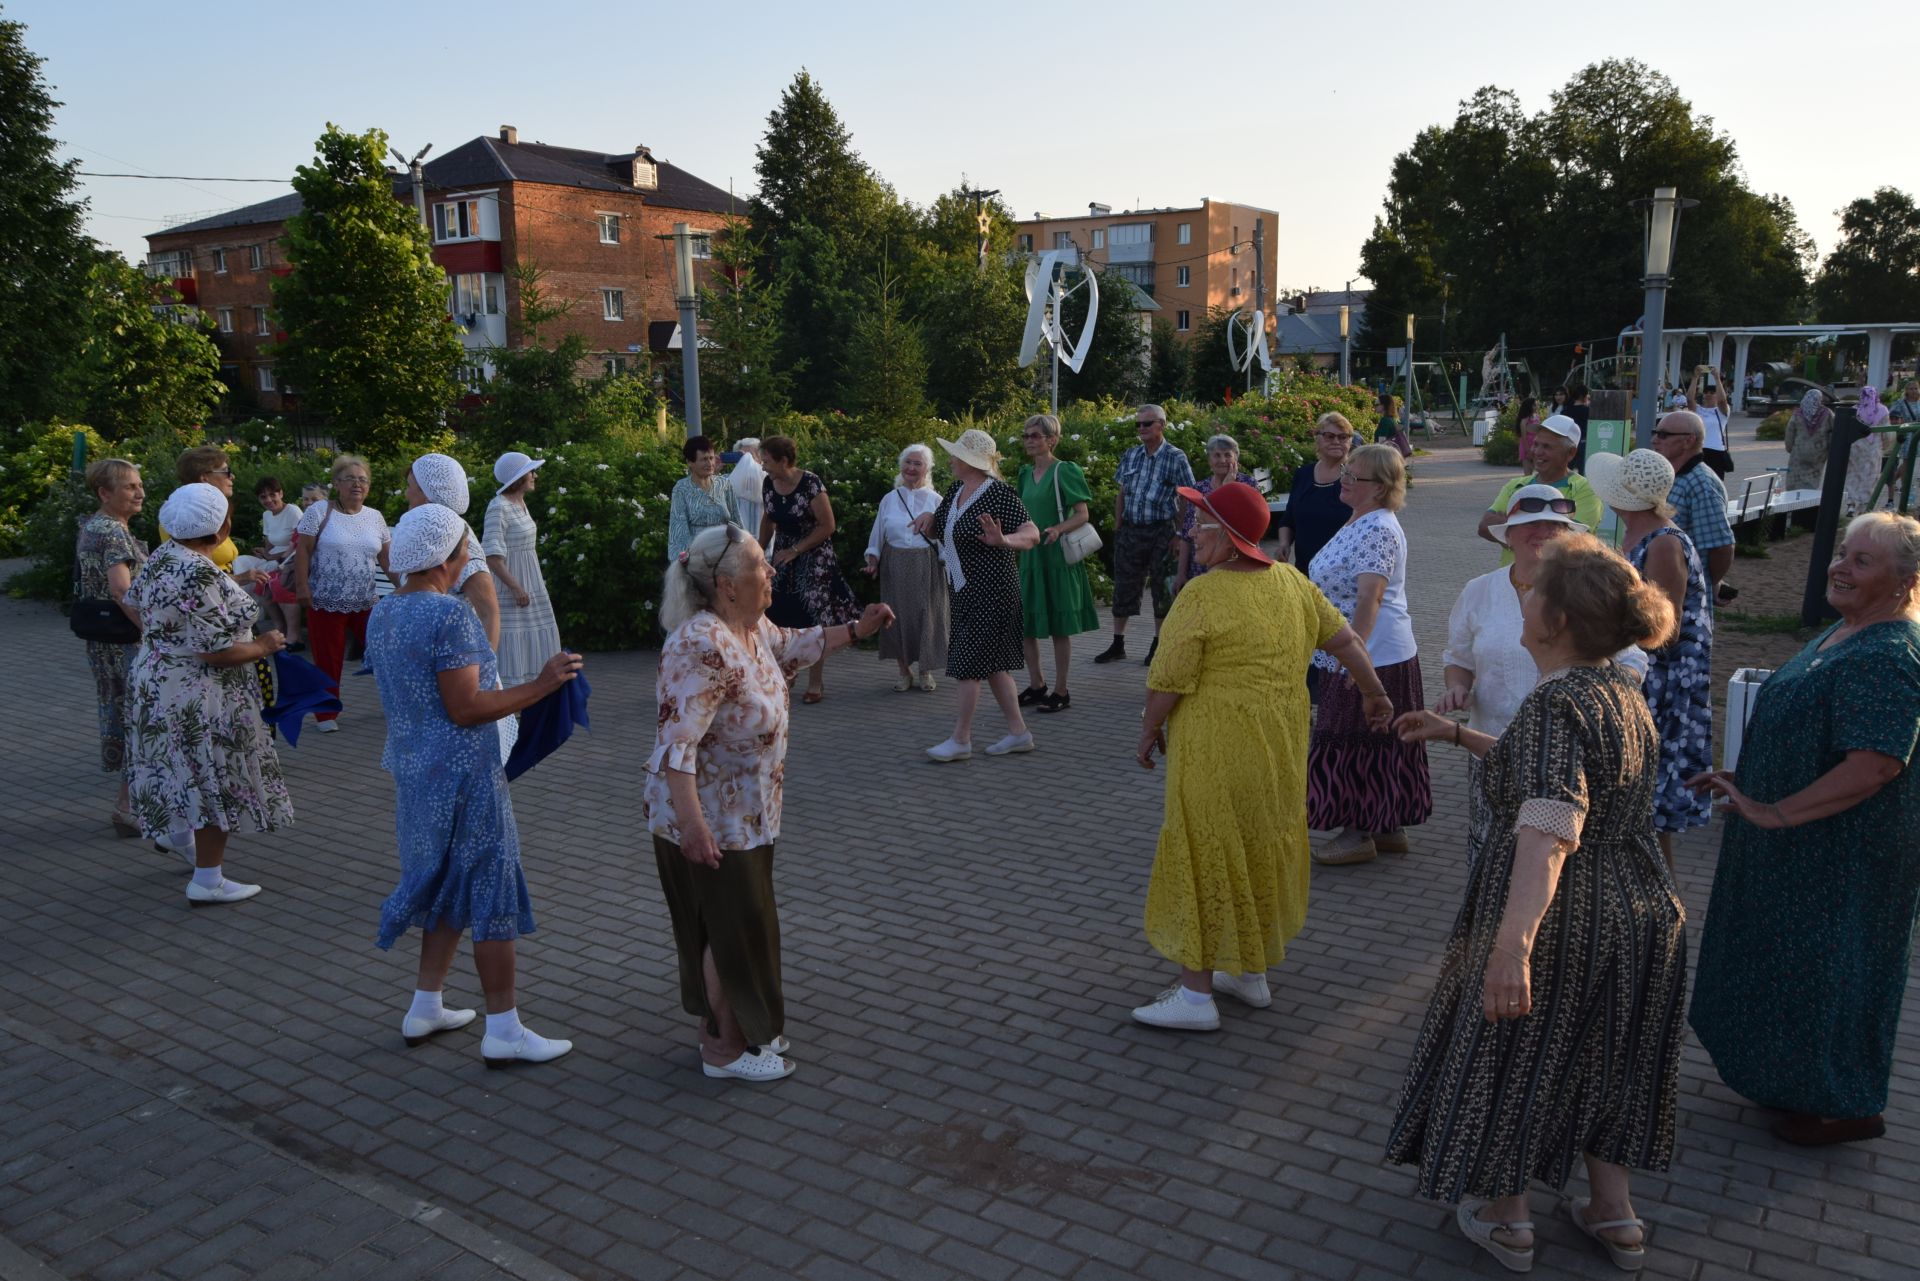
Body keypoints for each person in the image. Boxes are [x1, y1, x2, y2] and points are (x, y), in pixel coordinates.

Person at [1386, 535, 1685, 1276]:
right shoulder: (1616, 688)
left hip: (1566, 910)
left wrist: (1512, 944)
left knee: (1515, 1055)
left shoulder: (1557, 699)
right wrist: (1456, 732)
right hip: (1642, 905)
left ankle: (1507, 1217)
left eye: (1536, 587)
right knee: (1605, 1056)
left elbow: (1552, 821)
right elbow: (1562, 770)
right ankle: (1615, 1214)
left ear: (1554, 618)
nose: (1522, 593)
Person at [1687, 512, 1920, 1147]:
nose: (1841, 567)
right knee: (1796, 967)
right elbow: (1820, 735)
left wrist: (1774, 811)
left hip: (1844, 853)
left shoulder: (1889, 654)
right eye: (1844, 553)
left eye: (1863, 561)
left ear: (1906, 583)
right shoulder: (1846, 633)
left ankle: (1845, 1105)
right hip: (1806, 846)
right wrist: (1753, 773)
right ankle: (1800, 1087)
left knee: (1833, 970)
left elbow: (1873, 766)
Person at [1129, 481, 1393, 1031]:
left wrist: (1149, 729)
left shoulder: (1200, 595)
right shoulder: (1293, 583)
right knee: (1256, 844)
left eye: (1200, 526)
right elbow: (1346, 642)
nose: (1191, 535)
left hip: (1215, 749)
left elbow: (1170, 680)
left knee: (1205, 851)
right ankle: (1249, 973)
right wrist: (1373, 693)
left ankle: (1195, 996)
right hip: (1279, 746)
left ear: (1227, 538)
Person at [646, 523, 895, 1081]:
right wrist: (693, 827)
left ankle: (745, 1027)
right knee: (731, 931)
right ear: (728, 584)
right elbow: (676, 744)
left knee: (741, 925)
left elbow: (793, 644)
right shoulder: (700, 644)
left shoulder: (749, 626)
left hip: (749, 814)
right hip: (710, 819)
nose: (772, 571)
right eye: (761, 565)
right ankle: (723, 1052)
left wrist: (856, 629)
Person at [368, 504, 582, 1068]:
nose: (471, 559)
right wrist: (541, 685)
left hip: (415, 771)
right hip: (463, 774)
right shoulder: (451, 615)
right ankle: (504, 1028)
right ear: (449, 558)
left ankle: (425, 1004)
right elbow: (466, 709)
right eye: (468, 550)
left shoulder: (384, 613)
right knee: (491, 891)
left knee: (443, 884)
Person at [124, 483, 292, 904]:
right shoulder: (199, 573)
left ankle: (175, 834)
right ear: (220, 529)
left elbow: (139, 603)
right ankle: (207, 880)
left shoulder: (164, 556)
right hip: (199, 693)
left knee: (177, 766)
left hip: (157, 679)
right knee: (212, 777)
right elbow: (214, 652)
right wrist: (264, 646)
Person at [1439, 484, 1590, 857]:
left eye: (1554, 525)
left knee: (1553, 859)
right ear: (1508, 535)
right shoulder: (1478, 590)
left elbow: (1630, 662)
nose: (1542, 532)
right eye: (1530, 523)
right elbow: (1458, 658)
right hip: (1490, 752)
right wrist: (1457, 687)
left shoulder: (1587, 591)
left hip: (1564, 758)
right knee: (1490, 851)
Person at [1307, 444, 1432, 864]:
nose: (1343, 478)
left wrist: (1352, 655)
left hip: (1373, 653)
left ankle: (1358, 832)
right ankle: (1386, 825)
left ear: (1378, 488)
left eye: (1352, 475)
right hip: (1365, 650)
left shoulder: (1378, 528)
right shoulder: (1361, 518)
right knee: (1377, 741)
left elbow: (1370, 598)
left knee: (1354, 739)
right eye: (1345, 470)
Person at [1589, 450, 1713, 863]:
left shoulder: (1662, 543)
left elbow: (1665, 629)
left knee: (1649, 811)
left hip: (1663, 687)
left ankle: (1664, 909)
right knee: (1639, 811)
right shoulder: (1644, 537)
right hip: (1649, 680)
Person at [915, 429, 1043, 761]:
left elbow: (1031, 534)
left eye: (955, 455)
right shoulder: (957, 489)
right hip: (963, 590)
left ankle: (961, 739)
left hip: (993, 590)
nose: (950, 460)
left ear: (970, 461)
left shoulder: (999, 493)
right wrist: (929, 519)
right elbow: (942, 525)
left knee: (968, 664)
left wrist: (1004, 541)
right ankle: (1019, 733)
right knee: (995, 665)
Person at [75, 458, 148, 837]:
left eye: (138, 484)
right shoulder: (111, 533)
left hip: (106, 642)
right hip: (125, 643)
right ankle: (127, 807)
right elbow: (122, 590)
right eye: (130, 487)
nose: (140, 492)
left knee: (127, 718)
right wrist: (152, 631)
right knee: (138, 719)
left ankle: (130, 805)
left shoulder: (96, 526)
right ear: (105, 493)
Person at [293, 453, 392, 731]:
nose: (357, 485)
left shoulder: (375, 517)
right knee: (328, 658)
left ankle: (397, 703)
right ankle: (326, 714)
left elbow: (387, 559)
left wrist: (408, 587)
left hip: (366, 601)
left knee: (384, 654)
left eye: (363, 480)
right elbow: (303, 550)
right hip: (325, 599)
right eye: (349, 479)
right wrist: (302, 587)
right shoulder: (318, 512)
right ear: (336, 483)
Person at [758, 436, 859, 703]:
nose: (762, 465)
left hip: (813, 558)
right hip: (782, 556)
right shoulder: (769, 483)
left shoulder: (810, 484)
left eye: (766, 460)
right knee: (779, 615)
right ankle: (786, 675)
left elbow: (828, 525)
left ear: (783, 460)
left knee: (813, 619)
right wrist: (758, 551)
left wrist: (796, 550)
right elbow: (768, 519)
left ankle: (816, 682)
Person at [1094, 404, 1194, 667]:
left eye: (1146, 424)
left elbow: (1187, 497)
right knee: (1124, 584)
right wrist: (1118, 523)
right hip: (1131, 528)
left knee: (1161, 587)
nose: (1141, 429)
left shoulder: (1175, 457)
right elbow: (1122, 491)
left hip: (1162, 529)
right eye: (1137, 424)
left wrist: (1180, 534)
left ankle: (1158, 642)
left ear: (1161, 425)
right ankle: (1118, 642)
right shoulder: (1132, 455)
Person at [1014, 415, 1099, 713]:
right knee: (1025, 624)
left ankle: (1061, 690)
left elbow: (1082, 514)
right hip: (1031, 556)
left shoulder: (1065, 470)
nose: (1029, 440)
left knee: (1059, 627)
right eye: (1026, 435)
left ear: (1052, 439)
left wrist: (1057, 529)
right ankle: (1037, 684)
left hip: (1057, 555)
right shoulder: (1025, 474)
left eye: (1035, 435)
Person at [860, 443, 947, 693]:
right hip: (894, 564)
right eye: (907, 462)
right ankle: (903, 672)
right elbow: (878, 533)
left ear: (927, 468)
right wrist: (873, 559)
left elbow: (944, 537)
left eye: (917, 463)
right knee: (895, 618)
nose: (911, 467)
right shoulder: (889, 498)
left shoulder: (936, 500)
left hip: (926, 565)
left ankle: (925, 671)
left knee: (925, 617)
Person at [484, 451, 563, 690]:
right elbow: (492, 556)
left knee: (537, 633)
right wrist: (516, 587)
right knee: (512, 639)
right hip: (510, 586)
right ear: (518, 477)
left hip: (532, 580)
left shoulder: (520, 503)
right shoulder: (498, 507)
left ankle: (537, 690)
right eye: (531, 472)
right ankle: (510, 697)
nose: (535, 476)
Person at [1476, 415, 1601, 567]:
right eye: (1536, 444)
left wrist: (1512, 530)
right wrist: (1550, 532)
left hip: (1560, 584)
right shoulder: (1516, 486)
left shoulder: (1586, 489)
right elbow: (1484, 526)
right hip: (1511, 584)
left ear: (1571, 453)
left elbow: (1574, 539)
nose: (1537, 452)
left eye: (1547, 447)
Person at [406, 452, 499, 652]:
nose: (406, 494)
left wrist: (485, 671)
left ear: (427, 492)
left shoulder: (460, 540)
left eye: (409, 487)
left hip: (457, 658)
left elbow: (488, 612)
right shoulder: (426, 534)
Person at [1650, 409, 1736, 595]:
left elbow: (1722, 547)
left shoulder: (1702, 483)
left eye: (1663, 435)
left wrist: (1707, 585)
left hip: (1687, 594)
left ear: (1688, 440)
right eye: (1655, 433)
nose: (1654, 440)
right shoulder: (1675, 476)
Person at [1275, 413, 1355, 578]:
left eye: (1343, 437)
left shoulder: (1356, 477)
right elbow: (1289, 517)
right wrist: (1284, 543)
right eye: (1329, 436)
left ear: (1350, 441)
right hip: (1306, 570)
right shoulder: (1303, 474)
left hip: (1344, 575)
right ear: (1317, 439)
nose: (1336, 442)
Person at [1173, 432, 1254, 589]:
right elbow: (1187, 535)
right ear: (1210, 461)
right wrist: (1181, 573)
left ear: (1236, 458)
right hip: (1201, 566)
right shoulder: (1199, 489)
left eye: (1227, 455)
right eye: (1216, 455)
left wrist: (1228, 488)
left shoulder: (1247, 485)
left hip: (1235, 564)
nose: (1222, 460)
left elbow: (1245, 526)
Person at [248, 476, 306, 650]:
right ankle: (280, 628)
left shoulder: (293, 511)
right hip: (275, 560)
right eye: (263, 497)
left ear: (281, 493)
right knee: (261, 586)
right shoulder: (267, 514)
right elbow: (270, 540)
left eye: (272, 494)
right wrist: (265, 553)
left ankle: (294, 636)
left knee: (274, 584)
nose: (268, 500)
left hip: (292, 560)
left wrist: (274, 558)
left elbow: (299, 543)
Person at [667, 434, 740, 562]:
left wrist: (742, 548)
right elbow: (679, 530)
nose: (710, 463)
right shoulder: (681, 489)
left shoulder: (724, 484)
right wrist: (685, 562)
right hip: (697, 557)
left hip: (725, 555)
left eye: (711, 458)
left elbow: (736, 520)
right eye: (704, 459)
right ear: (690, 462)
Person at [1847, 385, 1892, 510]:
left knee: (1853, 474)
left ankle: (1851, 503)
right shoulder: (1883, 410)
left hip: (1855, 447)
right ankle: (1865, 504)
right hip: (1873, 448)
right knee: (1870, 476)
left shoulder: (1854, 410)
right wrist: (1886, 446)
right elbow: (1887, 433)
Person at [1685, 365, 1735, 477]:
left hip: (1716, 451)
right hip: (1698, 450)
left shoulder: (1721, 411)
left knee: (1715, 481)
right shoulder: (1698, 409)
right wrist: (1695, 377)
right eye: (1706, 392)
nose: (1708, 394)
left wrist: (1717, 378)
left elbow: (1722, 400)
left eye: (1712, 393)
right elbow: (1689, 399)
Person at [1783, 388, 1835, 490]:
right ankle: (1809, 497)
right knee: (1813, 478)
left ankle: (1794, 498)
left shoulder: (1798, 414)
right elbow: (1835, 430)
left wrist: (1790, 448)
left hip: (1799, 452)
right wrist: (1829, 449)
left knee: (1795, 477)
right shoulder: (1827, 413)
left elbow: (1789, 434)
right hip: (1819, 454)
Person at [729, 438, 766, 545]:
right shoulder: (728, 480)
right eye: (743, 456)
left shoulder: (768, 478)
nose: (747, 460)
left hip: (763, 543)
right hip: (737, 544)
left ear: (761, 457)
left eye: (751, 455)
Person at [1565, 382, 1592, 470]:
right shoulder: (1587, 411)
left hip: (1569, 442)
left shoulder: (1566, 410)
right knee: (1583, 470)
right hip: (1583, 442)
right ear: (1583, 396)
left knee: (1568, 469)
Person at [1512, 396, 1540, 472]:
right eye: (1534, 405)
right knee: (1528, 473)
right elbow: (1523, 437)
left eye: (1537, 405)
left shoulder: (1537, 417)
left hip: (1536, 446)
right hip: (1526, 447)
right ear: (1529, 406)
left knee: (1537, 472)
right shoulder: (1524, 420)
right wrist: (1528, 451)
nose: (1536, 407)